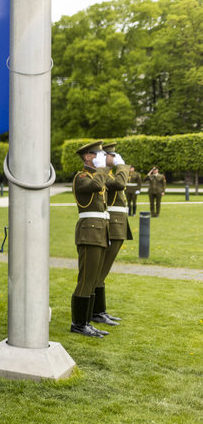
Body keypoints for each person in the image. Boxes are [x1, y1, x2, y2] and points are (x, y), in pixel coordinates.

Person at [70, 141, 112, 338]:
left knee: (94, 278)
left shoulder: (96, 176)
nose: (102, 158)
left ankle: (87, 322)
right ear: (88, 156)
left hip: (99, 232)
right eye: (98, 154)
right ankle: (79, 323)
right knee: (86, 279)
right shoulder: (82, 177)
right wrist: (103, 168)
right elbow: (96, 185)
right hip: (89, 233)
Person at [92, 142, 131, 326]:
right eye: (112, 156)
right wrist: (122, 166)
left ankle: (100, 311)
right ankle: (95, 312)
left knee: (103, 271)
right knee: (100, 270)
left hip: (119, 224)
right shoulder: (103, 176)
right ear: (104, 157)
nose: (115, 159)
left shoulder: (107, 175)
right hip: (112, 225)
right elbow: (121, 183)